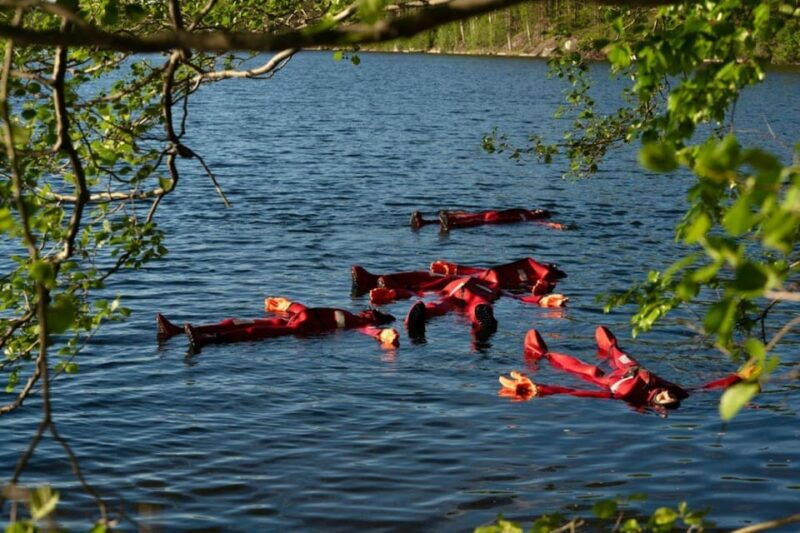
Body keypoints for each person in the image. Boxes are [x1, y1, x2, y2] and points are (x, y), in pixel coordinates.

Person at [498, 327, 752, 413]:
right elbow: (706, 388)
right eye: (668, 393)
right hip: (630, 367)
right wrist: (738, 377)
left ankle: (541, 353)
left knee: (582, 369)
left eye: (664, 398)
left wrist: (542, 389)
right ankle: (609, 348)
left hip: (610, 381)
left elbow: (580, 392)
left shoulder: (629, 397)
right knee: (618, 353)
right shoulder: (677, 391)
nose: (664, 392)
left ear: (659, 405)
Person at [156, 298, 399, 354]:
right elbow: (301, 308)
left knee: (256, 332)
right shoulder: (350, 314)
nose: (368, 310)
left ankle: (207, 340)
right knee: (239, 321)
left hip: (301, 329)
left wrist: (386, 336)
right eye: (370, 309)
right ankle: (177, 331)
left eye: (374, 312)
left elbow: (374, 333)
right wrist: (283, 305)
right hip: (293, 318)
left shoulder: (357, 324)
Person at [404, 276, 500, 339]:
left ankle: (423, 313)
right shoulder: (488, 282)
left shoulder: (451, 281)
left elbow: (432, 288)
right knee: (477, 305)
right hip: (467, 295)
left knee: (439, 305)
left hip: (454, 295)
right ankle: (481, 317)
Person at [410, 208, 567, 231]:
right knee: (465, 217)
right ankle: (424, 222)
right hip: (489, 214)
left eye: (541, 211)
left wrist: (555, 225)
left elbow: (545, 223)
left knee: (470, 222)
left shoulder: (530, 218)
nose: (538, 210)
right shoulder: (524, 211)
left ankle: (448, 225)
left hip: (491, 219)